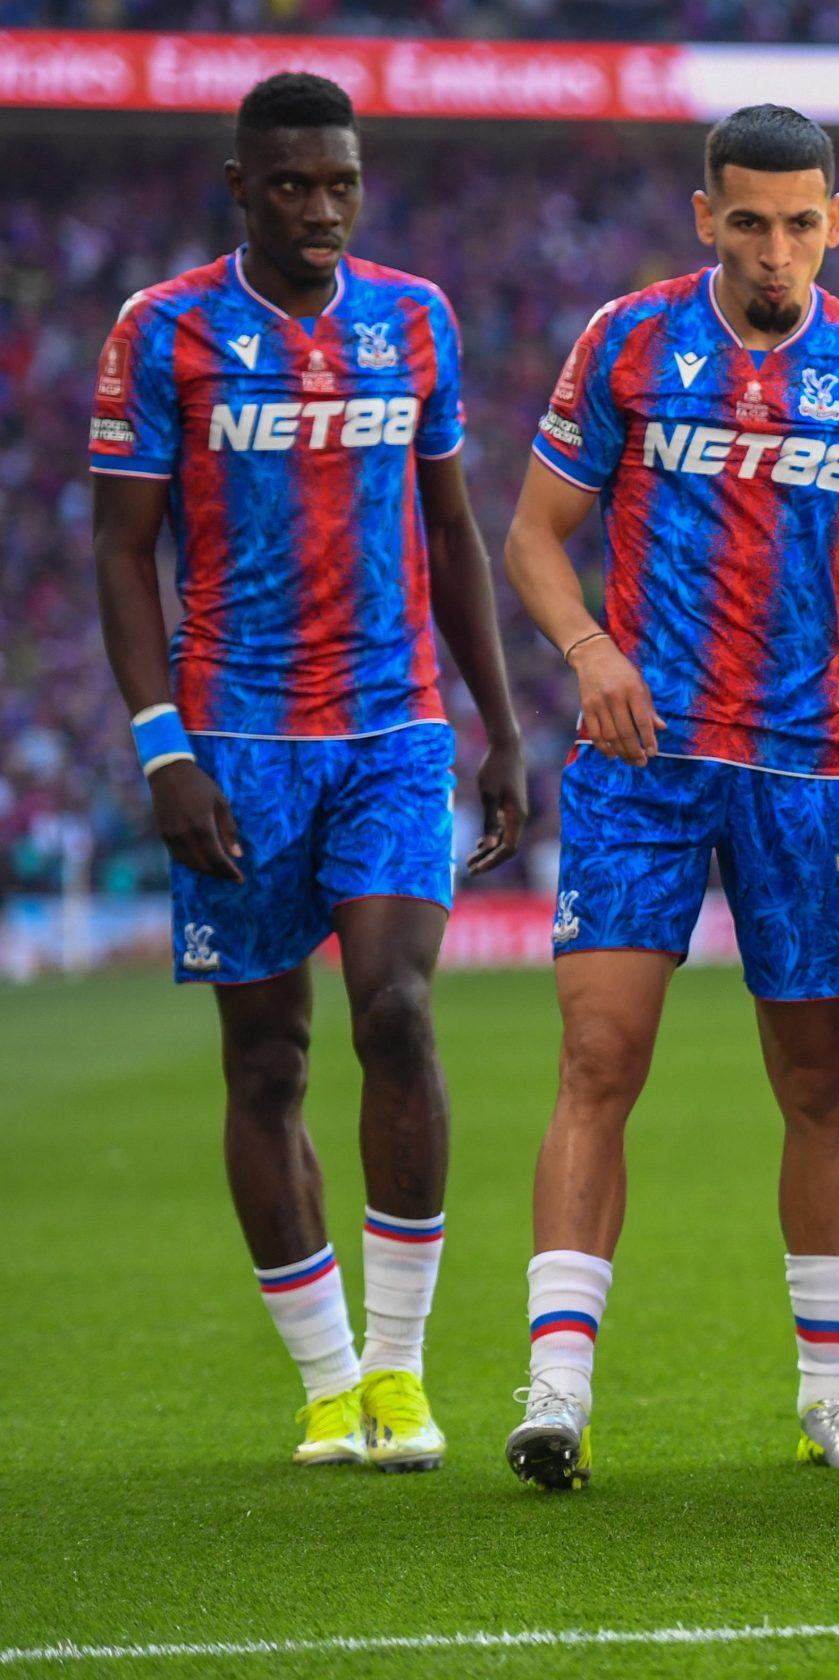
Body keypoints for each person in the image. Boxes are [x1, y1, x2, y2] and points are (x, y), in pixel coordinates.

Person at [497, 103, 839, 1490]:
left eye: (800, 224)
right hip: (641, 764)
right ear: (706, 218)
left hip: (803, 770)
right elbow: (533, 536)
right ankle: (557, 1389)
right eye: (747, 222)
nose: (773, 249)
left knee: (815, 1084)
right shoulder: (629, 342)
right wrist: (588, 651)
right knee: (597, 1061)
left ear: (835, 222)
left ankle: (829, 1398)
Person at [88, 72, 525, 1473]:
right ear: (241, 187)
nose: (321, 207)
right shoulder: (162, 331)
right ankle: (329, 1385)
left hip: (394, 729)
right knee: (267, 1057)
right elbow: (121, 551)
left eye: (340, 182)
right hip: (235, 741)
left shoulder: (416, 318)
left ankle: (399, 1371)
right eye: (290, 184)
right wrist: (162, 745)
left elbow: (452, 531)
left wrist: (504, 723)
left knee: (396, 1011)